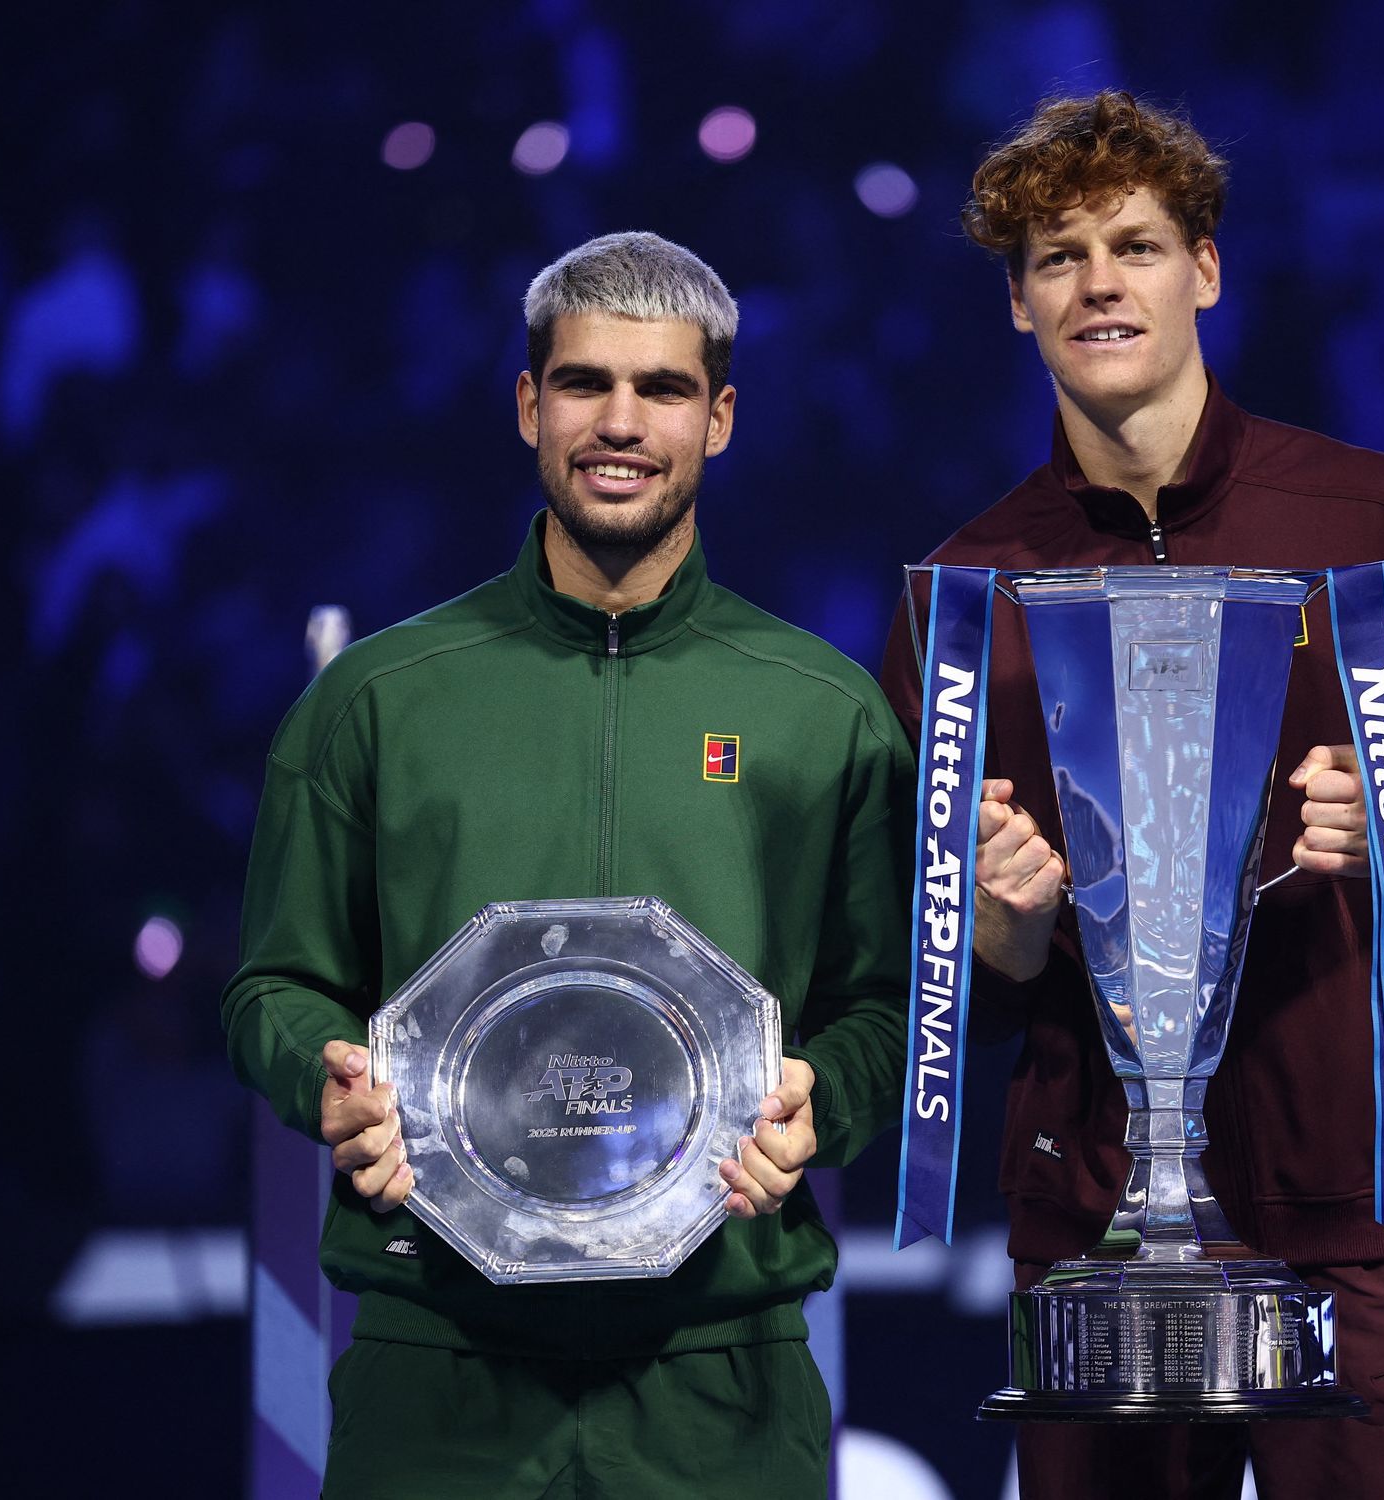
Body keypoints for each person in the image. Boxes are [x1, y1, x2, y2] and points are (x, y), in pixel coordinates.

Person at [879, 93, 1384, 1500]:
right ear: (1018, 304)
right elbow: (990, 979)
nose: (1098, 283)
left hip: (1370, 1209)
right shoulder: (966, 597)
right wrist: (1005, 914)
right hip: (1098, 1223)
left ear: (1206, 269)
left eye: (1134, 246)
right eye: (1057, 257)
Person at [224, 231, 912, 1500]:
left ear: (720, 418)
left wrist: (826, 1099)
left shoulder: (824, 707)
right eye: (587, 384)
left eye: (661, 390)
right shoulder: (379, 697)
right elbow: (274, 984)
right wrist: (323, 1085)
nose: (621, 422)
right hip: (436, 1367)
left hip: (723, 1370)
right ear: (531, 404)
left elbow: (884, 1009)